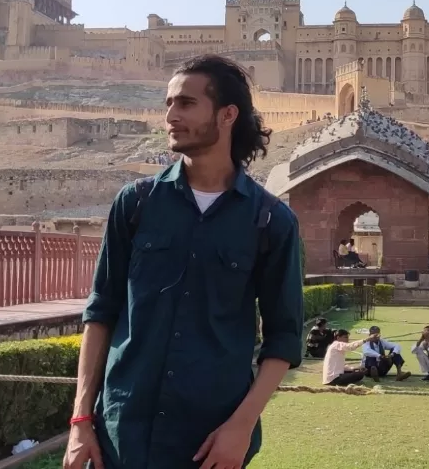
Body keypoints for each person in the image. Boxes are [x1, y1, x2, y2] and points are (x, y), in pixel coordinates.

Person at [63, 55, 305, 469]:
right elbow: (101, 312)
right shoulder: (136, 203)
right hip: (122, 437)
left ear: (228, 115)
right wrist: (81, 419)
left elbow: (283, 338)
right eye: (169, 103)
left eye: (186, 104)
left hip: (210, 443)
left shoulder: (269, 220)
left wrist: (241, 427)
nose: (171, 115)